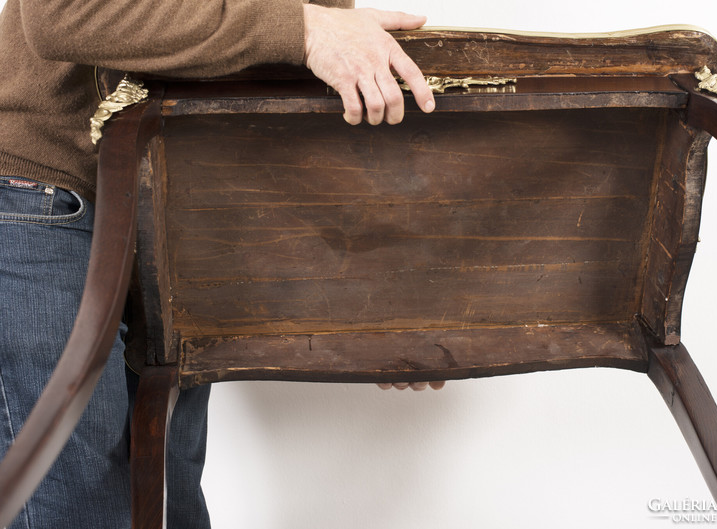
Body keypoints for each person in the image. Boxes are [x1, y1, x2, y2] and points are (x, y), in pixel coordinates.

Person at [0, 1, 439, 527]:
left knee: (169, 498)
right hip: (45, 194)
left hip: (176, 211)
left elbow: (302, 105)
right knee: (79, 502)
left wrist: (380, 316)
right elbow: (62, 17)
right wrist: (304, 28)